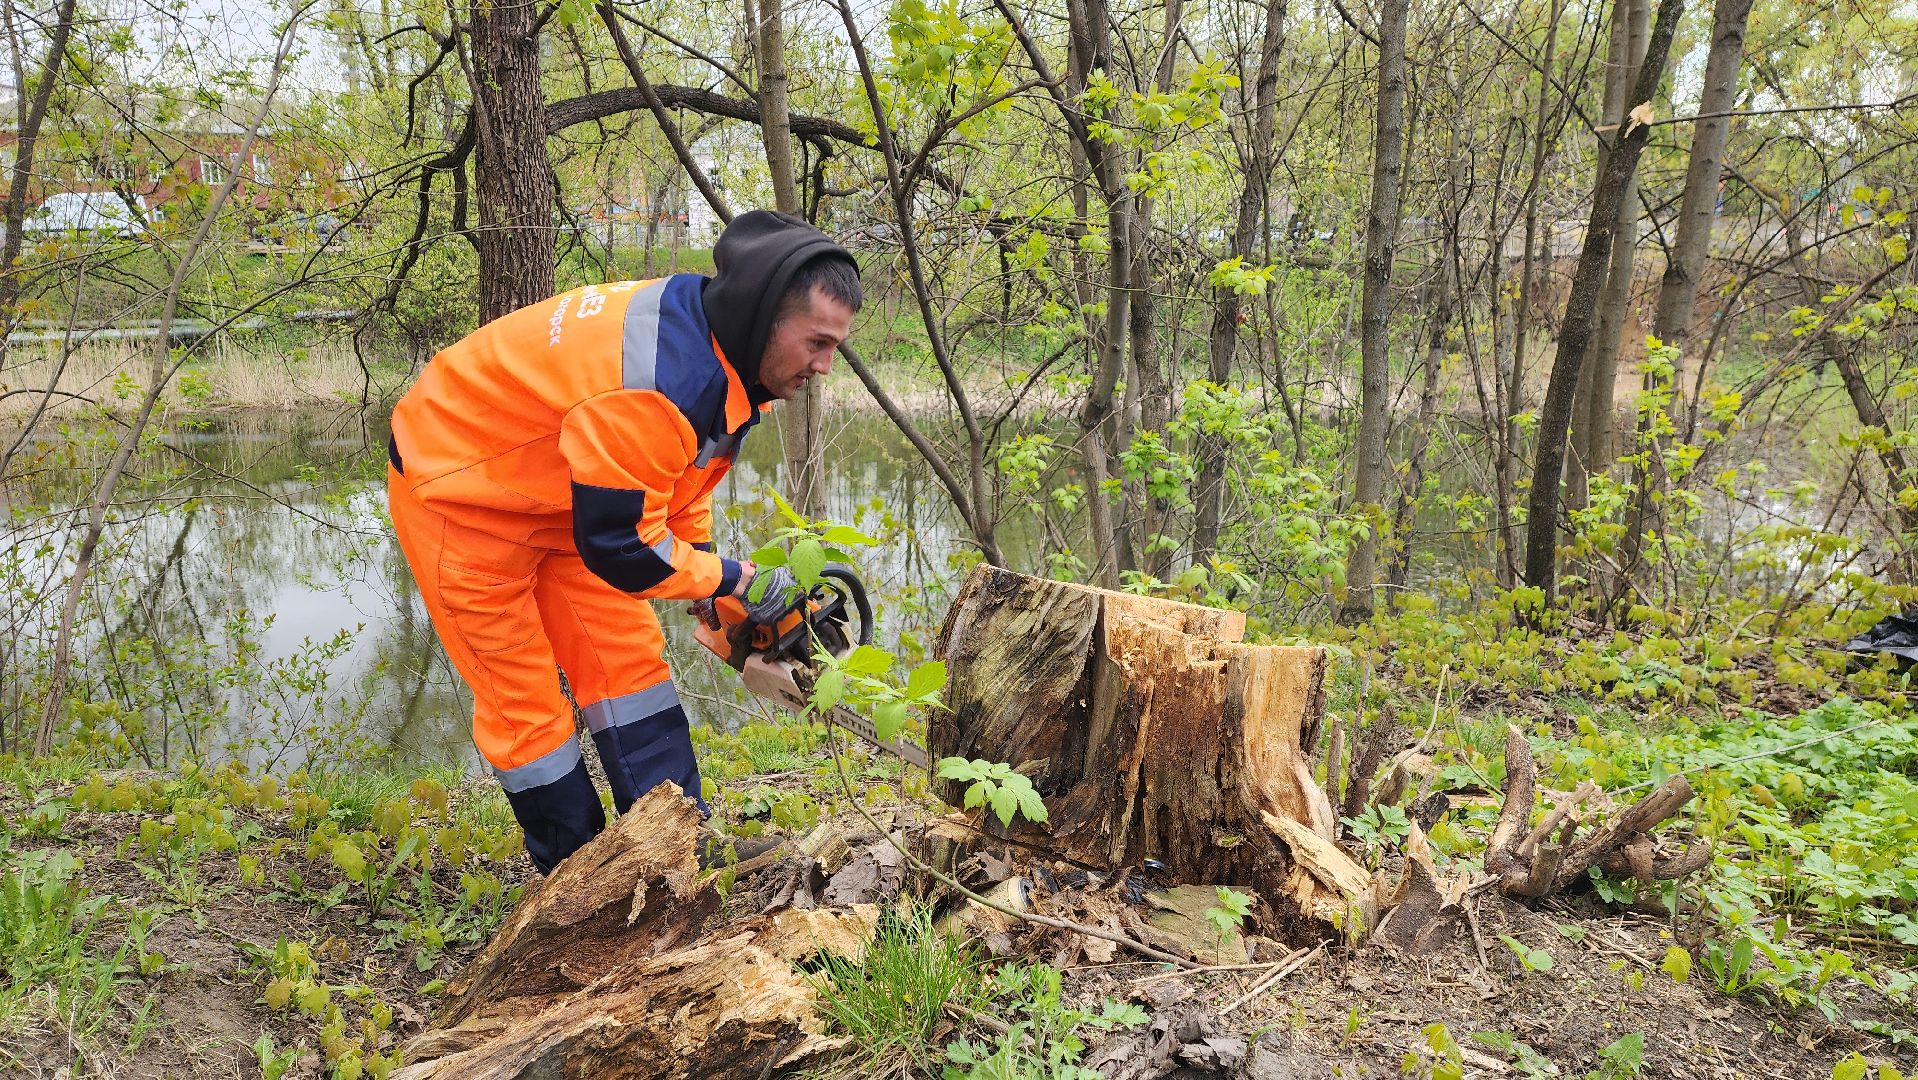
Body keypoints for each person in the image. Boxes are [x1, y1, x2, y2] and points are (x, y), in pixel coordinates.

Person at [384, 210, 861, 873]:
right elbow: (625, 549)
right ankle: (579, 887)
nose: (825, 365)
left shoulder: (723, 356)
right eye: (817, 342)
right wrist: (734, 579)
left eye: (835, 346)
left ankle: (677, 857)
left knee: (630, 669)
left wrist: (725, 613)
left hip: (569, 499)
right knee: (527, 708)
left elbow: (674, 493)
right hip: (459, 490)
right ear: (762, 316)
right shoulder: (662, 383)